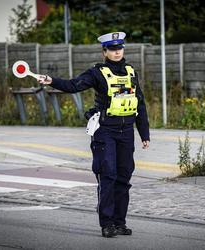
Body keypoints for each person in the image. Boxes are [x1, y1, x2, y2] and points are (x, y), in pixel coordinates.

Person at [38, 32, 150, 238]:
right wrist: (51, 80)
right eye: (112, 49)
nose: (117, 52)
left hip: (126, 132)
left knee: (124, 178)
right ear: (105, 51)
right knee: (108, 176)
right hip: (105, 131)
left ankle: (119, 222)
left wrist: (144, 133)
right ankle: (107, 223)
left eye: (120, 48)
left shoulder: (131, 72)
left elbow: (139, 103)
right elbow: (73, 85)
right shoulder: (97, 73)